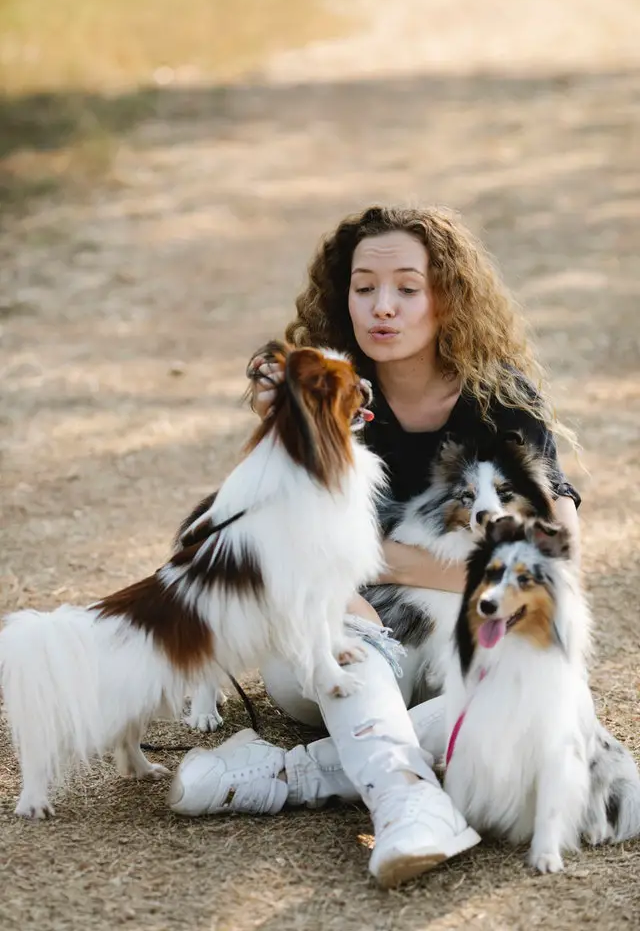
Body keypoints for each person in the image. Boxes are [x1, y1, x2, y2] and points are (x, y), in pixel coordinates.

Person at [167, 206, 584, 888]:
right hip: (353, 626)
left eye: (407, 288)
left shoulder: (499, 397)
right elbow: (287, 541)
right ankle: (399, 781)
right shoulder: (322, 395)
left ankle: (323, 780)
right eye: (364, 287)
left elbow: (554, 552)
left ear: (445, 298)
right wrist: (351, 582)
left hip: (458, 634)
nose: (382, 307)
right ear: (345, 296)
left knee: (522, 691)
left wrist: (377, 561)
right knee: (318, 658)